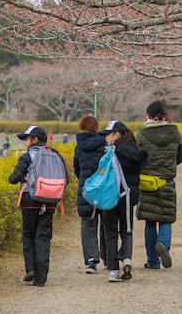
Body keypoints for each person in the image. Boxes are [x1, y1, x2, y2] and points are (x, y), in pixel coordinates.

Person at [7, 125, 63, 287]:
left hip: (30, 201)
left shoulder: (27, 157)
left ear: (35, 140)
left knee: (29, 234)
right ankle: (41, 277)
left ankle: (30, 269)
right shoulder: (55, 155)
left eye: (26, 139)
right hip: (51, 200)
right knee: (43, 236)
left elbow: (13, 179)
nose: (25, 142)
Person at [137, 101, 182, 269]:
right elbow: (180, 155)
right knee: (166, 218)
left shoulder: (143, 135)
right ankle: (163, 244)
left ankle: (152, 261)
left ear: (149, 116)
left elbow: (138, 157)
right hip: (167, 181)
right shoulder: (175, 133)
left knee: (150, 221)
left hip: (148, 182)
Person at [98, 120, 148, 282]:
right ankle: (126, 259)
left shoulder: (110, 152)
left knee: (110, 232)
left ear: (116, 135)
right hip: (128, 196)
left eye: (108, 135)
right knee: (126, 230)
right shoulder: (136, 151)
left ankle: (113, 270)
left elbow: (96, 169)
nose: (106, 138)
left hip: (110, 196)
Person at [73, 115, 107, 274]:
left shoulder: (78, 146)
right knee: (107, 222)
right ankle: (108, 256)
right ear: (97, 127)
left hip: (86, 189)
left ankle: (91, 261)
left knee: (88, 223)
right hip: (104, 188)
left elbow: (77, 170)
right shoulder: (104, 142)